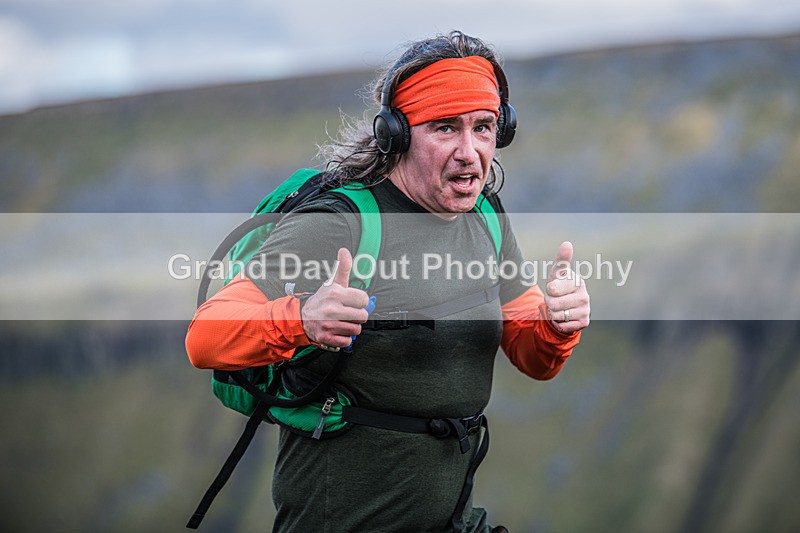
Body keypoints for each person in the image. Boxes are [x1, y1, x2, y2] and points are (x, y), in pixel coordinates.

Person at [186, 30, 590, 533]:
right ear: (396, 135)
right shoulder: (341, 223)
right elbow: (206, 337)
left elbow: (532, 356)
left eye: (483, 127)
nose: (470, 152)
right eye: (445, 128)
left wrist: (555, 324)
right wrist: (303, 320)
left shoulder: (484, 214)